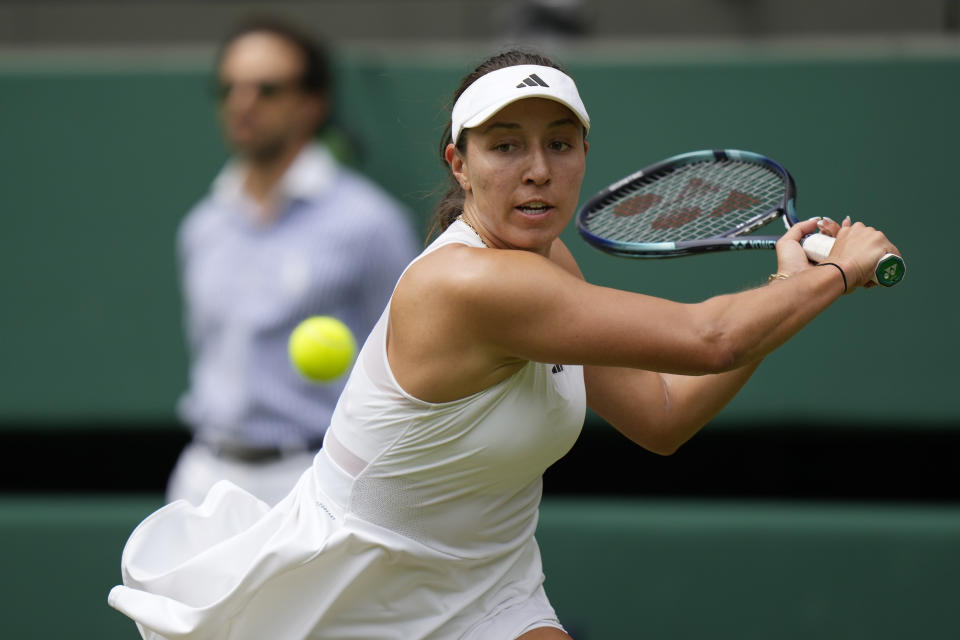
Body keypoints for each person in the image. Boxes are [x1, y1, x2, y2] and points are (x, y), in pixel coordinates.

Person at [109, 49, 899, 639]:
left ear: (585, 156)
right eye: (506, 145)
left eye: (560, 143)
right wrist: (831, 278)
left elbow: (662, 415)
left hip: (488, 581)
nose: (538, 170)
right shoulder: (468, 285)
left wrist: (784, 293)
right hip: (349, 588)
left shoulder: (548, 263)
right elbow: (710, 338)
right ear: (461, 162)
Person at [167, 15, 419, 506]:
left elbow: (406, 359)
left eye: (266, 89)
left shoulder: (370, 224)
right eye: (229, 89)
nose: (244, 104)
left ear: (312, 104)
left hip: (314, 476)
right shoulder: (203, 227)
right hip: (202, 474)